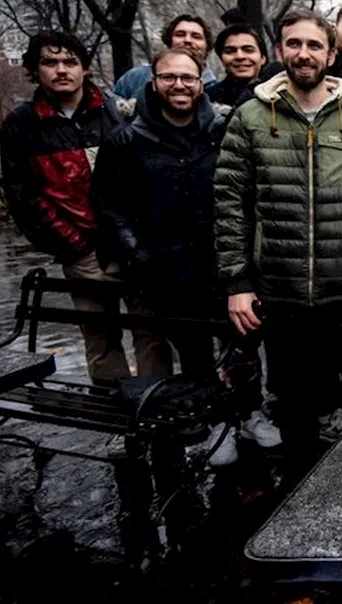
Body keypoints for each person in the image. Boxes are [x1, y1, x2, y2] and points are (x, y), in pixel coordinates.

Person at [214, 9, 342, 475]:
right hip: (283, 294)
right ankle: (300, 498)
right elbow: (229, 203)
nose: (304, 54)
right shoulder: (251, 119)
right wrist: (239, 280)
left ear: (331, 53)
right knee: (294, 407)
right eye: (295, 44)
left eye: (314, 45)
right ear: (280, 50)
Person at [93, 48, 278, 466]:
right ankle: (216, 423)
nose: (179, 85)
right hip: (167, 269)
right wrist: (136, 252)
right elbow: (109, 206)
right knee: (194, 353)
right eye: (169, 77)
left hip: (226, 264)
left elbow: (247, 192)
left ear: (200, 84)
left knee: (245, 344)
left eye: (188, 78)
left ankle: (249, 412)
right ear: (154, 82)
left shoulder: (222, 131)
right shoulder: (126, 140)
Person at [0, 31, 173, 383]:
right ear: (35, 69)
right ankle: (113, 405)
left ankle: (158, 405)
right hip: (81, 250)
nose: (61, 70)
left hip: (133, 245)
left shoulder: (114, 112)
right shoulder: (22, 126)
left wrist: (141, 238)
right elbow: (25, 199)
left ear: (85, 68)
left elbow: (143, 179)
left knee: (151, 331)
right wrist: (73, 246)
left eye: (70, 62)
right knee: (100, 337)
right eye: (50, 62)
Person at [114, 14, 216, 100]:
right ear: (169, 41)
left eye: (196, 36)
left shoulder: (217, 89)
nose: (187, 40)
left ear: (207, 46)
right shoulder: (135, 78)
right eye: (180, 34)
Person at [207, 23, 268, 108]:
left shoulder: (277, 96)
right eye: (230, 51)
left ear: (262, 58)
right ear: (221, 59)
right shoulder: (206, 100)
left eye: (248, 50)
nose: (240, 56)